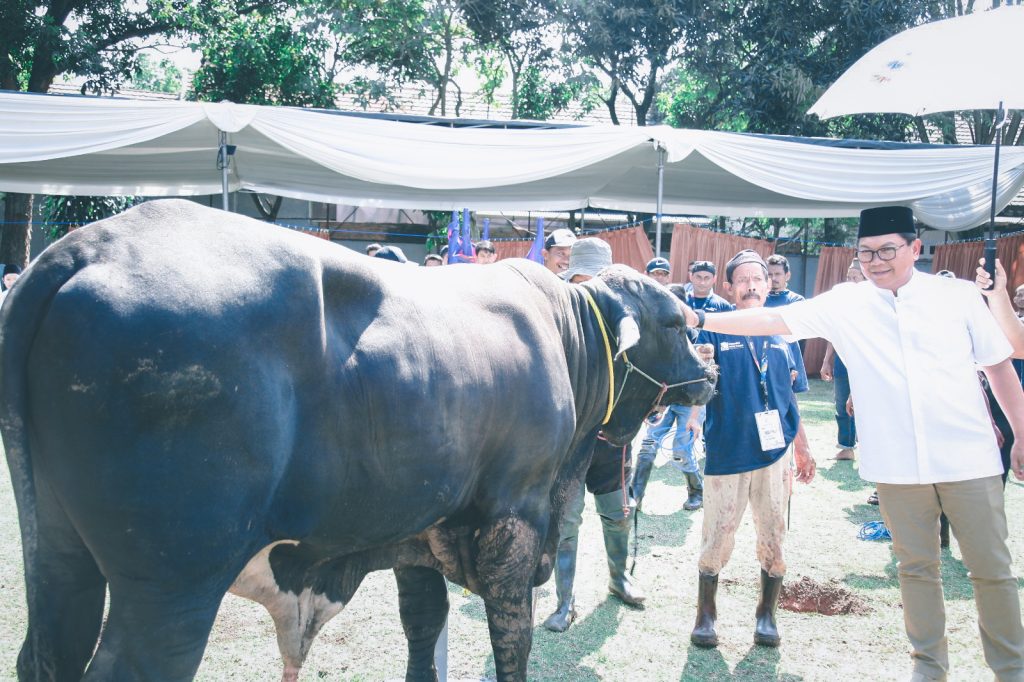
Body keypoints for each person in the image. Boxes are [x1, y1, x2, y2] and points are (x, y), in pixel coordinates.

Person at [686, 207, 1024, 681]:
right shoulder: (846, 301)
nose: (876, 260)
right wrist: (699, 315)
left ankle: (1010, 670)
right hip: (895, 466)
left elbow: (999, 363)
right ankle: (929, 668)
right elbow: (772, 320)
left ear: (915, 249)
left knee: (992, 570)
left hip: (968, 458)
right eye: (866, 251)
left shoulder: (959, 296)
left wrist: (1022, 432)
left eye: (888, 249)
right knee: (916, 570)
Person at [686, 249, 815, 650]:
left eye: (758, 278)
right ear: (729, 287)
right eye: (742, 279)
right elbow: (699, 382)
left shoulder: (783, 333)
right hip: (727, 451)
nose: (752, 284)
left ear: (769, 283)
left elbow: (790, 397)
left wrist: (803, 448)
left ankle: (766, 614)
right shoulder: (713, 330)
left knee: (774, 535)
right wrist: (692, 416)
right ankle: (706, 615)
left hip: (775, 456)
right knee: (717, 536)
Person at [542, 238, 645, 633]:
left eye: (598, 279)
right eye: (582, 278)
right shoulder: (557, 312)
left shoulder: (629, 314)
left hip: (611, 437)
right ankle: (564, 602)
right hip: (569, 438)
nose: (591, 287)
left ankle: (620, 580)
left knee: (618, 513)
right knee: (566, 520)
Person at [631, 260, 731, 512]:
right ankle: (635, 495)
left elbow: (707, 375)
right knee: (647, 447)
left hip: (690, 402)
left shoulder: (699, 337)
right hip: (665, 401)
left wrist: (696, 416)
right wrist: (655, 405)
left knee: (681, 451)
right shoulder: (657, 336)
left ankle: (696, 491)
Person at [819, 260, 866, 461]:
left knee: (867, 405)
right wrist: (826, 360)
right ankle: (847, 447)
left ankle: (871, 448)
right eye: (848, 276)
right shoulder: (841, 304)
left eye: (855, 277)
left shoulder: (874, 304)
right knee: (841, 403)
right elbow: (833, 334)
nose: (850, 280)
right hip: (842, 361)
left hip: (866, 362)